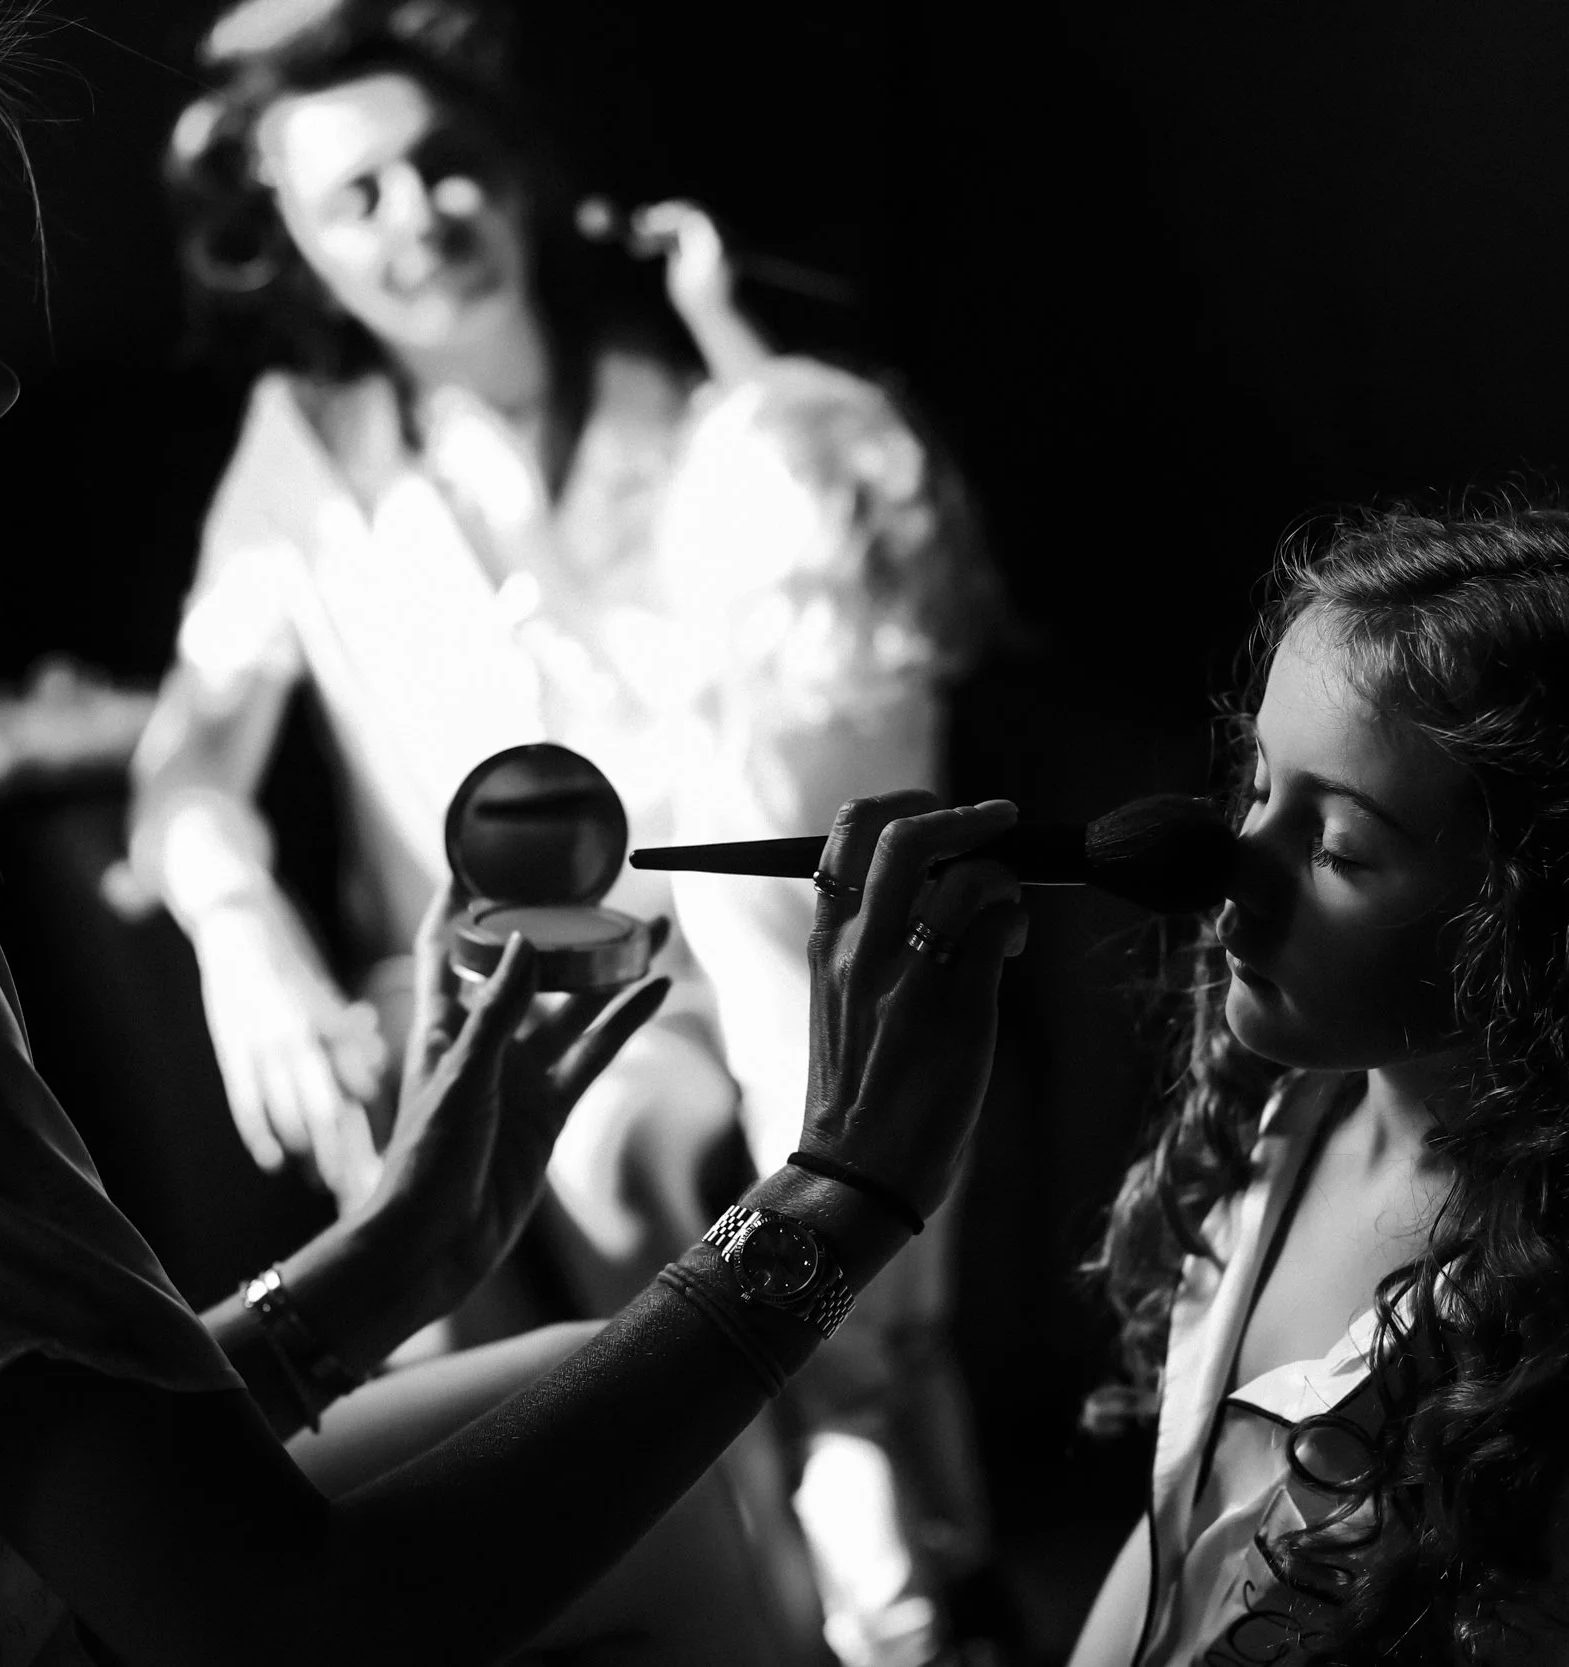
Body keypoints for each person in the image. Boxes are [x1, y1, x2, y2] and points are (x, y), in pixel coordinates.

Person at [0, 2, 1029, 1661]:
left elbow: (30, 1459)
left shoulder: (721, 416)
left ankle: (891, 1548)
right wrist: (847, 1192)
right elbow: (277, 1621)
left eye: (447, 166)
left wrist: (386, 1262)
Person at [121, 1, 1002, 1658]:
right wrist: (244, 933)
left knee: (695, 1100)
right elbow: (185, 773)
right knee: (558, 1139)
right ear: (298, 246)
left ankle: (880, 1570)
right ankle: (758, 1580)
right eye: (355, 196)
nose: (416, 217)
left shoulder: (691, 388)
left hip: (746, 965)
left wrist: (732, 339)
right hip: (493, 990)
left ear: (516, 174)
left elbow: (866, 628)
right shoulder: (306, 458)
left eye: (444, 164)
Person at [1066, 509, 1569, 1665]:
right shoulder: (1293, 1114)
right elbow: (1183, 1538)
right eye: (1259, 786)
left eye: (1338, 848)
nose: (1234, 869)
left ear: (1559, 921)